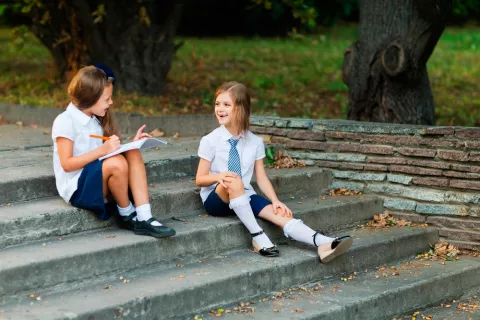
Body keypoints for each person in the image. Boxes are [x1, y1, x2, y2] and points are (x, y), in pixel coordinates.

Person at [195, 81, 352, 262]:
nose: (220, 109)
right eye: (217, 104)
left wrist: (275, 200)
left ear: (241, 109)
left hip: (244, 194)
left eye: (226, 105)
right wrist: (220, 176)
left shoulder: (255, 142)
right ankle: (258, 236)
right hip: (217, 198)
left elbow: (261, 178)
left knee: (279, 213)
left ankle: (323, 243)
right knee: (233, 179)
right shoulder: (210, 140)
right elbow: (200, 179)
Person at [51, 64, 175, 238]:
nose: (111, 102)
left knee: (133, 152)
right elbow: (67, 165)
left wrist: (131, 145)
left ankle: (145, 216)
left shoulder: (94, 120)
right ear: (90, 98)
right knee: (116, 163)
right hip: (77, 188)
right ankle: (127, 214)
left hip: (97, 176)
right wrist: (102, 150)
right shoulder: (65, 121)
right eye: (107, 99)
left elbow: (104, 155)